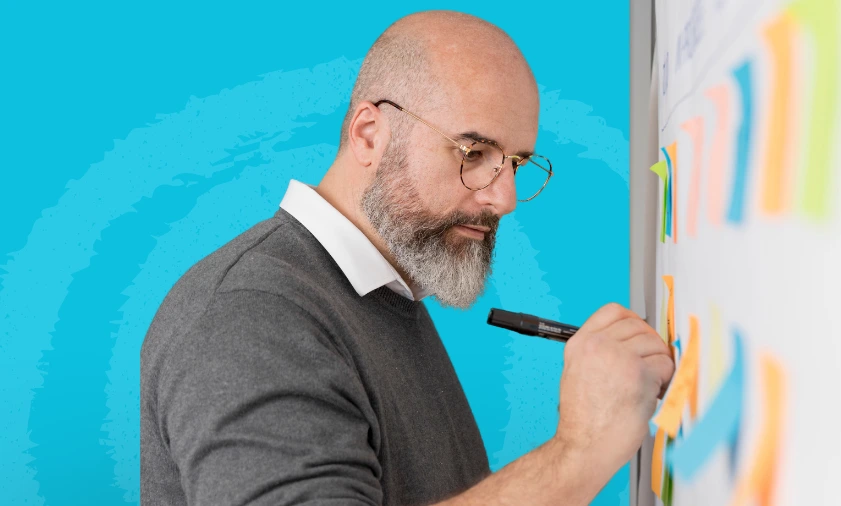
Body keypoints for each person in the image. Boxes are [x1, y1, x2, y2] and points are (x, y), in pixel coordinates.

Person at [140, 10, 674, 506]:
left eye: (515, 163)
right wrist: (579, 450)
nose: (504, 198)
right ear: (370, 136)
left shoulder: (381, 294)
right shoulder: (250, 314)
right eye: (474, 153)